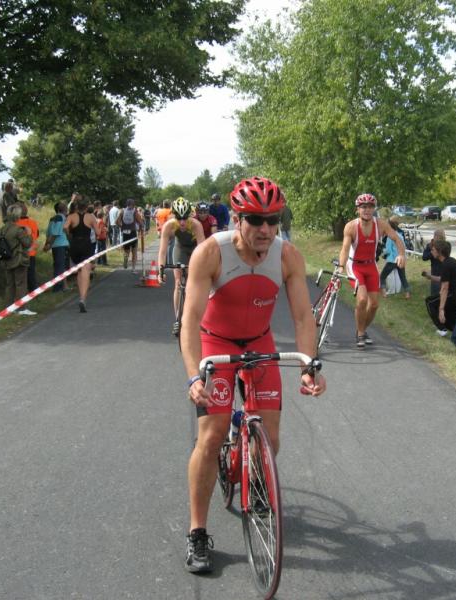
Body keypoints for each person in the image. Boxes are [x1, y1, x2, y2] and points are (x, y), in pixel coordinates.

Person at [179, 176, 326, 573]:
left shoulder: (287, 256)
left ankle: (256, 476)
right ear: (237, 218)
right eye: (256, 220)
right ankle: (197, 532)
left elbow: (303, 317)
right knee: (211, 437)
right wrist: (194, 376)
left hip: (259, 343)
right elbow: (190, 320)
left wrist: (309, 366)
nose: (265, 229)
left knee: (271, 439)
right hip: (216, 342)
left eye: (273, 219)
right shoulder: (211, 253)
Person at [337, 193, 406, 348]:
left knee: (374, 304)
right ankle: (361, 334)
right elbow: (345, 249)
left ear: (374, 209)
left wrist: (401, 254)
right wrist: (341, 265)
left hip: (371, 266)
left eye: (370, 207)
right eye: (363, 207)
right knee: (362, 299)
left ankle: (361, 329)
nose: (367, 210)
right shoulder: (351, 227)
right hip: (355, 266)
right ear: (357, 209)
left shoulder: (381, 225)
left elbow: (396, 238)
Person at [157, 197, 205, 334]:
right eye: (179, 218)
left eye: (185, 218)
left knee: (196, 282)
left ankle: (198, 317)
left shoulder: (196, 225)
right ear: (174, 216)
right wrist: (161, 271)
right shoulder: (169, 225)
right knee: (178, 283)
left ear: (190, 215)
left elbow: (202, 250)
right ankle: (177, 319)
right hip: (180, 249)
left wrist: (201, 269)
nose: (182, 222)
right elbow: (162, 251)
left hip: (195, 249)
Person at [424, 240, 456, 336]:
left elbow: (444, 288)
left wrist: (441, 309)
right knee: (449, 319)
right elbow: (443, 279)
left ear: (439, 252)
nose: (431, 251)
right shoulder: (450, 261)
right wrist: (430, 276)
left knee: (429, 302)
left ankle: (442, 329)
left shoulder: (446, 264)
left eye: (433, 249)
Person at [0, 204, 35, 315]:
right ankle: (22, 308)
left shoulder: (3, 229)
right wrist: (29, 233)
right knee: (21, 284)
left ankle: (9, 308)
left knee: (10, 284)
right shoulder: (18, 230)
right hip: (19, 259)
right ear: (17, 216)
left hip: (7, 259)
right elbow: (27, 243)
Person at [64, 195, 97, 313]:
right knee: (86, 271)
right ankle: (83, 299)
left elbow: (65, 227)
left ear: (77, 205)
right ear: (87, 206)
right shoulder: (91, 217)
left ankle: (81, 296)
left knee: (79, 271)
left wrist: (69, 234)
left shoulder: (71, 216)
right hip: (86, 245)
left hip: (74, 245)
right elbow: (98, 232)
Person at [379, 216, 411, 299]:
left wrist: (383, 253)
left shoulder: (391, 236)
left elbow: (388, 250)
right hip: (401, 259)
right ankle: (407, 294)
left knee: (382, 277)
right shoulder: (400, 235)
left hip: (392, 260)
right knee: (403, 278)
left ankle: (384, 293)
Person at [44, 202, 70, 292]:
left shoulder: (52, 218)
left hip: (56, 246)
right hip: (61, 245)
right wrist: (49, 245)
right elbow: (55, 233)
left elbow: (48, 233)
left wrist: (47, 244)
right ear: (61, 209)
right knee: (60, 267)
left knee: (58, 266)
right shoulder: (60, 218)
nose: (66, 207)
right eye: (64, 206)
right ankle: (57, 288)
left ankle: (63, 287)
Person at [16, 202, 40, 292]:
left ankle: (21, 291)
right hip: (31, 252)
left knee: (20, 274)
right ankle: (33, 290)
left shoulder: (15, 224)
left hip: (19, 252)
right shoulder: (33, 222)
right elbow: (37, 235)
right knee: (31, 273)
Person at [117, 198, 144, 272]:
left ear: (127, 204)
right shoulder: (135, 211)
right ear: (133, 204)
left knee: (126, 250)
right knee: (134, 251)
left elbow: (117, 221)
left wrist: (122, 227)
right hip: (132, 233)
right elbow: (140, 222)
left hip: (125, 233)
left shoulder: (122, 211)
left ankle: (125, 259)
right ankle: (133, 268)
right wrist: (140, 229)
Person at [421, 228, 446, 296]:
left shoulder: (445, 245)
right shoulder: (431, 245)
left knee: (441, 290)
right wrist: (432, 251)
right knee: (435, 291)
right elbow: (424, 257)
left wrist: (435, 250)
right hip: (435, 269)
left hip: (443, 269)